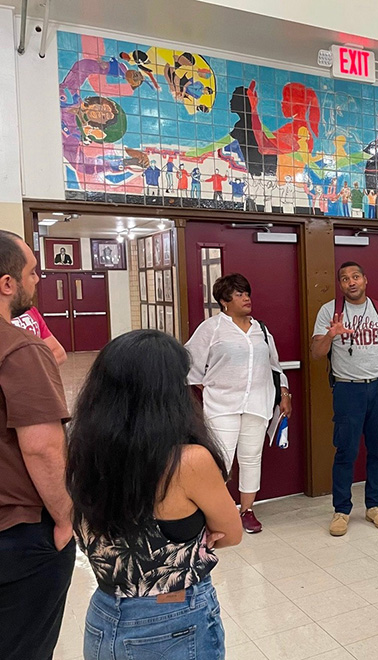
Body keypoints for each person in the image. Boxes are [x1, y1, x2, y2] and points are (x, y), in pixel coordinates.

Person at [66, 330, 241, 660]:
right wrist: (198, 535)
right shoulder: (187, 461)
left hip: (104, 615)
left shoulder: (83, 451)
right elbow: (231, 533)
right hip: (175, 618)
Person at [0, 230, 75, 660]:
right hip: (17, 533)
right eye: (31, 272)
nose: (37, 281)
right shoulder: (20, 349)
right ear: (7, 283)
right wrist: (66, 519)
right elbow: (42, 448)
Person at [186, 274, 292, 533]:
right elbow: (189, 364)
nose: (246, 298)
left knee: (251, 457)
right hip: (222, 406)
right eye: (238, 294)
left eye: (247, 293)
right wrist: (210, 387)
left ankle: (247, 510)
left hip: (258, 403)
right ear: (224, 301)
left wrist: (285, 394)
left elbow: (274, 366)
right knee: (220, 460)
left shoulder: (261, 330)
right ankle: (217, 513)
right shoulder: (212, 328)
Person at [311, 262, 378, 537]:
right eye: (344, 279)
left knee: (377, 450)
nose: (351, 282)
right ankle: (341, 510)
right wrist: (331, 334)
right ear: (340, 284)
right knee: (345, 452)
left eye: (355, 277)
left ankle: (374, 506)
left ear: (365, 280)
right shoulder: (330, 311)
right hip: (347, 390)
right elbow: (316, 353)